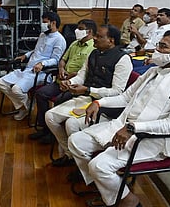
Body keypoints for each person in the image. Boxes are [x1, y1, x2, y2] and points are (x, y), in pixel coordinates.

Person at [68, 30, 170, 207]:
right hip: (124, 126)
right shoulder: (153, 71)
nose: (156, 50)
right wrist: (99, 102)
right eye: (158, 45)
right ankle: (108, 188)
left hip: (152, 139)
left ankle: (129, 201)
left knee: (99, 166)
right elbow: (125, 97)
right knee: (76, 142)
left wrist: (133, 128)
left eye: (163, 47)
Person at [44, 25, 133, 162]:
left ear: (111, 40)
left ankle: (79, 160)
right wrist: (70, 82)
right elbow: (82, 75)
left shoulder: (123, 59)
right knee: (50, 116)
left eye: (99, 36)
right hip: (85, 97)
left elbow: (117, 92)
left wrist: (88, 90)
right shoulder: (94, 53)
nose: (95, 38)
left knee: (71, 123)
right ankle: (70, 154)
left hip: (104, 105)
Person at [29, 19, 96, 142]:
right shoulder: (75, 43)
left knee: (60, 99)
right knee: (40, 94)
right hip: (61, 79)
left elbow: (85, 71)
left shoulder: (93, 48)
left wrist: (71, 76)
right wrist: (61, 69)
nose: (77, 31)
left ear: (89, 31)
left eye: (80, 29)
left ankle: (55, 134)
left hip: (76, 85)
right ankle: (45, 128)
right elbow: (63, 59)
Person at [0, 11, 66, 121]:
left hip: (41, 73)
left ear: (53, 23)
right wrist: (25, 55)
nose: (42, 24)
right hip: (28, 69)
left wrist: (42, 63)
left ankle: (25, 108)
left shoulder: (59, 39)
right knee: (1, 82)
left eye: (45, 22)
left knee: (16, 89)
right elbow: (37, 51)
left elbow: (56, 60)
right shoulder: (42, 35)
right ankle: (25, 106)